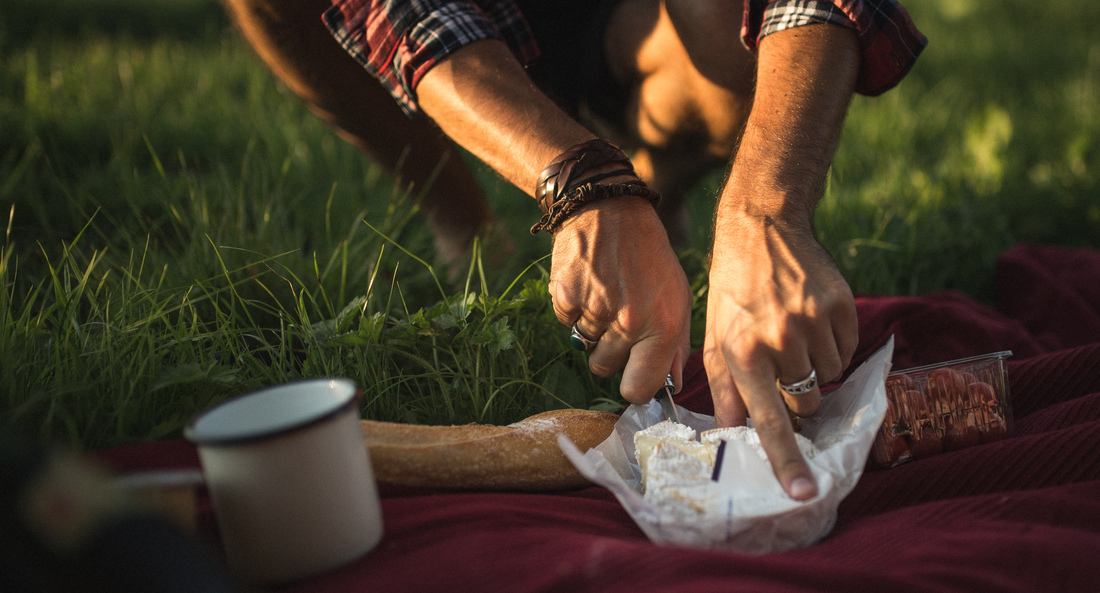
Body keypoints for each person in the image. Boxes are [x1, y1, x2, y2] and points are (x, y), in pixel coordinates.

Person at [222, 0, 925, 501]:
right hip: (474, 27)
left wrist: (766, 211)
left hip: (638, 25)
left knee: (725, 23)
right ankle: (463, 222)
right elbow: (404, 13)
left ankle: (653, 180)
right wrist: (581, 183)